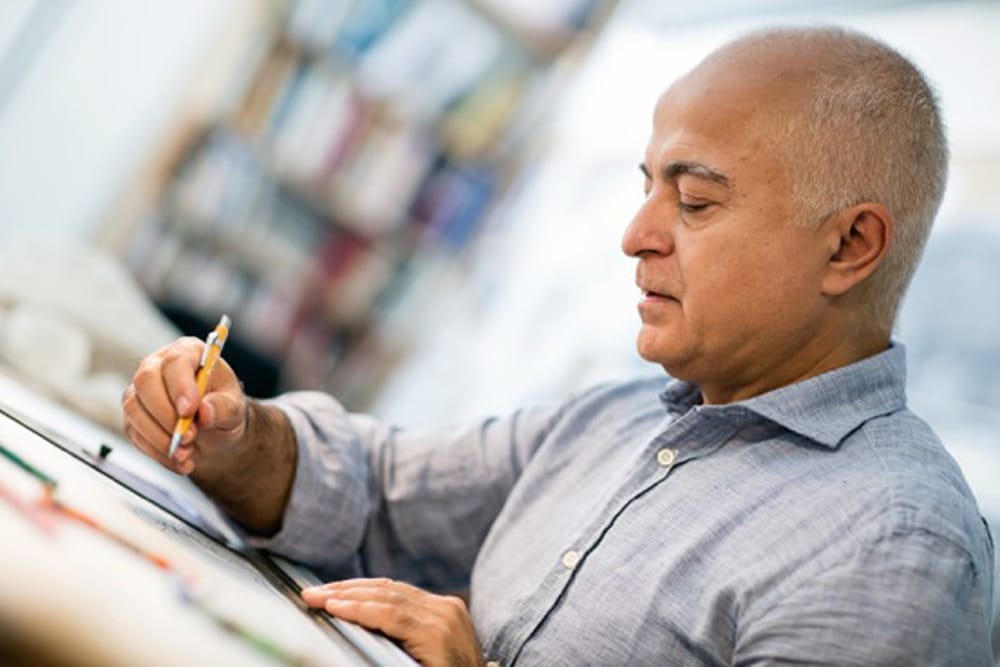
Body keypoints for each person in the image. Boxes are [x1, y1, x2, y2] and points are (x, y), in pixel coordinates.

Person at [122, 26, 995, 666]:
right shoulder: (619, 421)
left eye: (694, 203)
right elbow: (379, 493)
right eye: (647, 189)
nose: (636, 235)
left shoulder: (894, 544)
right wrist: (238, 439)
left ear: (849, 246)